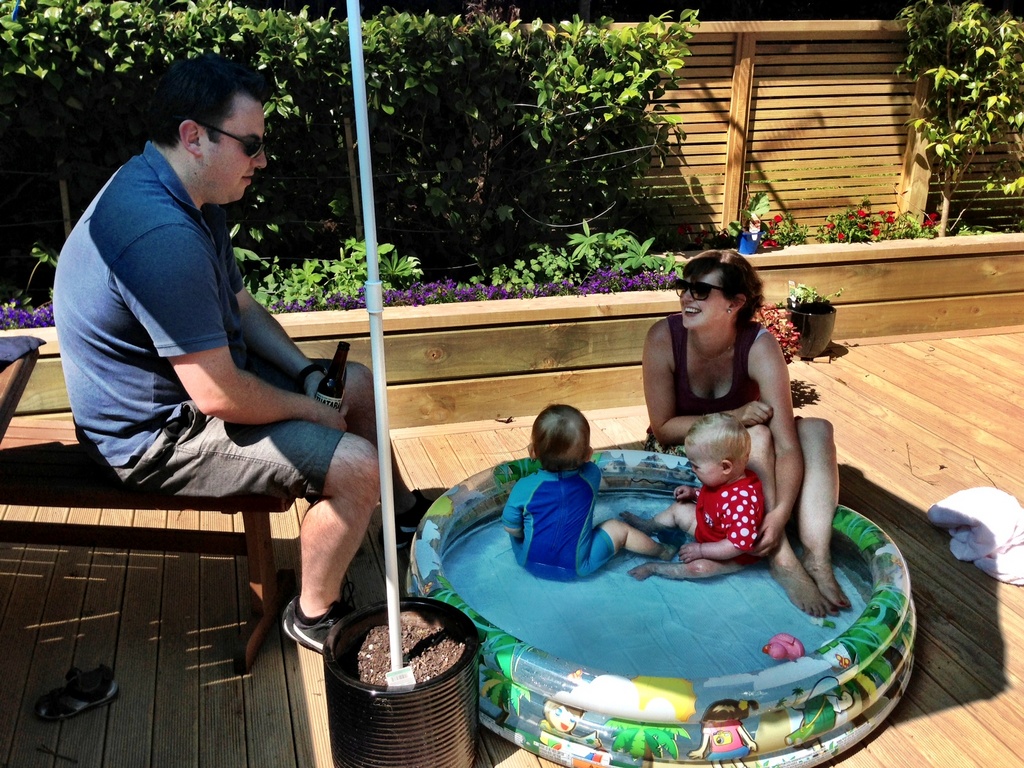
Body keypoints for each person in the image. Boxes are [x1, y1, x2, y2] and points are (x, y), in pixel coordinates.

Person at [51, 53, 430, 654]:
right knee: (356, 464)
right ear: (193, 137)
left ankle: (402, 514)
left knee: (352, 382)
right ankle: (314, 613)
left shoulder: (191, 194)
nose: (262, 160)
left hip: (198, 387)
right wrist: (310, 411)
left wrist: (305, 374)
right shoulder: (160, 235)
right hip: (151, 438)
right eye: (251, 145)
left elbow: (242, 307)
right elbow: (218, 395)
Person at [641, 249, 849, 617]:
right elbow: (665, 427)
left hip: (742, 464)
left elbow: (788, 445)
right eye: (684, 287)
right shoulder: (663, 338)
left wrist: (780, 513)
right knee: (758, 436)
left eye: (700, 291)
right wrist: (734, 414)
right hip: (691, 453)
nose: (687, 297)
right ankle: (781, 556)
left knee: (817, 430)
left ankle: (817, 557)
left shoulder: (758, 345)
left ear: (734, 303)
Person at [501, 404, 675, 581]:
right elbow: (588, 466)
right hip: (577, 567)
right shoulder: (591, 475)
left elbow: (511, 529)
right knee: (618, 529)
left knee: (518, 526)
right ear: (588, 455)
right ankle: (662, 551)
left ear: (532, 452)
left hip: (529, 562)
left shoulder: (523, 487)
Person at [625, 412, 764, 581]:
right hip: (709, 528)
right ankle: (649, 525)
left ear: (725, 467)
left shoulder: (742, 502)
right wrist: (693, 493)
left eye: (696, 466)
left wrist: (701, 550)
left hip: (731, 553)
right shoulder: (724, 478)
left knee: (699, 568)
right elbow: (716, 499)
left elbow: (737, 545)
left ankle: (654, 568)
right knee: (679, 509)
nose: (692, 470)